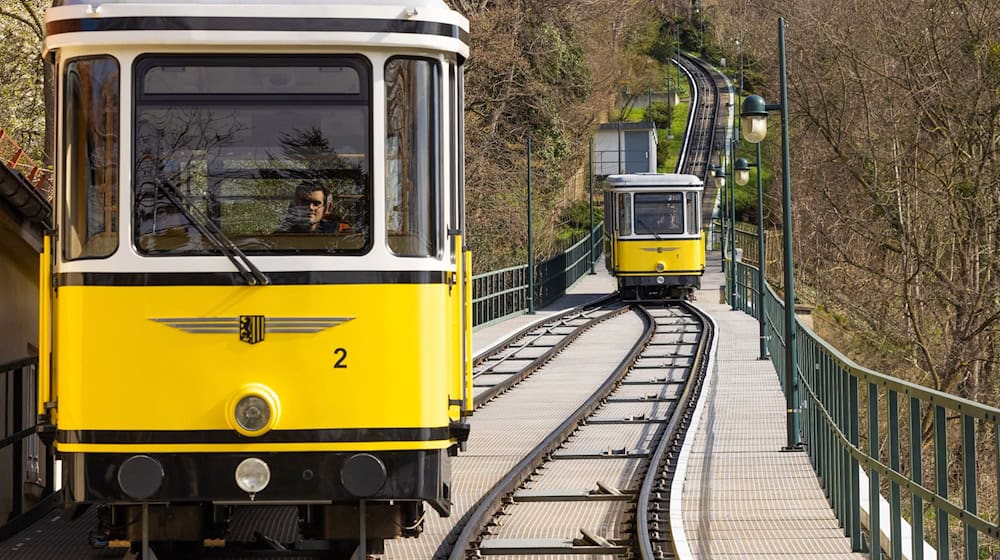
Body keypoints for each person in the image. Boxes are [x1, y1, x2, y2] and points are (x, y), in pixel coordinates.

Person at [277, 183, 349, 233]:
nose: (310, 207)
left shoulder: (340, 231)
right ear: (297, 205)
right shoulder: (281, 236)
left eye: (316, 203)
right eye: (305, 202)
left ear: (325, 208)